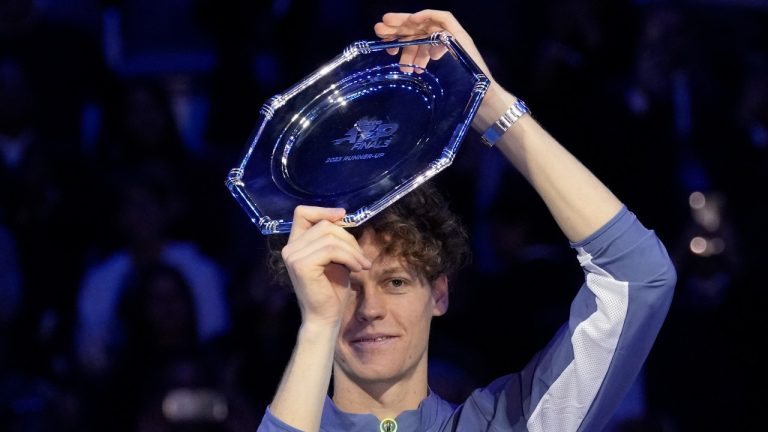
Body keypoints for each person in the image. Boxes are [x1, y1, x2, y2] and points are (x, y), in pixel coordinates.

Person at [255, 9, 676, 432]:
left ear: (439, 293)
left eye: (395, 282)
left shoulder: (511, 423)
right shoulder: (287, 414)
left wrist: (487, 102)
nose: (370, 310)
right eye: (344, 285)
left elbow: (637, 277)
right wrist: (319, 327)